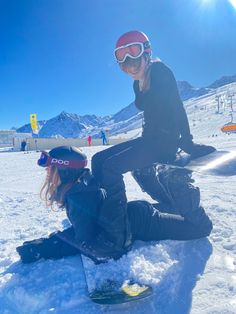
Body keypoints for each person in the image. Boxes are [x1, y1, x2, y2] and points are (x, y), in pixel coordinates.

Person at [90, 30, 215, 259]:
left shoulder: (159, 71)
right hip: (149, 139)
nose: (130, 63)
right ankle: (105, 218)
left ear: (147, 51)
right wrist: (139, 83)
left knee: (111, 168)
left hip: (164, 142)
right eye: (122, 57)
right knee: (98, 160)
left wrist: (187, 142)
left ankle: (118, 236)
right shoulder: (139, 84)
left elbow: (177, 106)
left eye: (134, 53)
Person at [16, 146, 212, 264]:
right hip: (135, 215)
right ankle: (153, 181)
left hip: (141, 222)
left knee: (201, 228)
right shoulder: (83, 184)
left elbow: (90, 242)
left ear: (64, 171)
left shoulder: (77, 196)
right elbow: (84, 230)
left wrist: (46, 249)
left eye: (51, 168)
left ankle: (179, 188)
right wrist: (47, 244)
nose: (48, 173)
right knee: (175, 210)